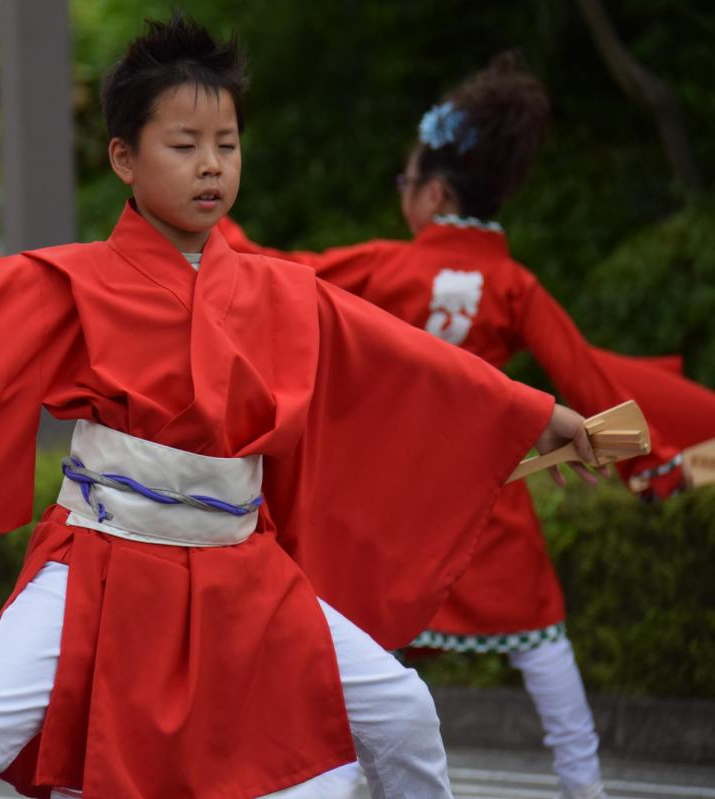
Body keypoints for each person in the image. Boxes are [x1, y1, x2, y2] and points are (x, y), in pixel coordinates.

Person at [0, 16, 597, 799]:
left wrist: (534, 413)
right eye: (185, 144)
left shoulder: (282, 290)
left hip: (242, 568)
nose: (213, 165)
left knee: (402, 709)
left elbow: (409, 360)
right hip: (101, 562)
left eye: (228, 143)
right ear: (124, 158)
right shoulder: (74, 282)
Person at [220, 53, 713, 799]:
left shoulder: (384, 267)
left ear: (437, 193)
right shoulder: (516, 286)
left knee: (360, 662)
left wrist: (203, 210)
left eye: (405, 182)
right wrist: (653, 464)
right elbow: (588, 383)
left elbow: (273, 275)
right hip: (491, 498)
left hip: (390, 507)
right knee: (545, 648)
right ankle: (586, 787)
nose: (402, 195)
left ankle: (341, 783)